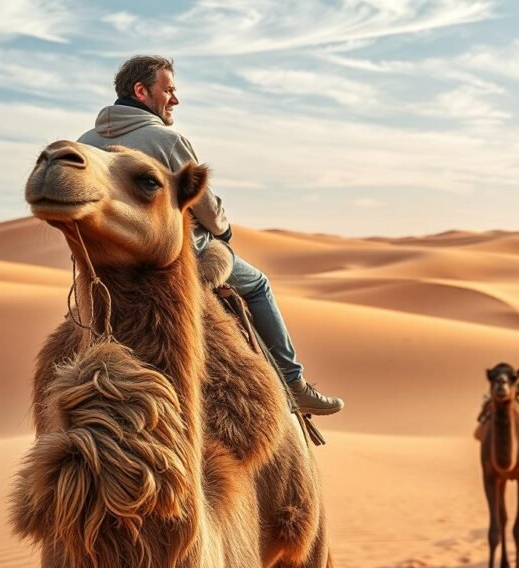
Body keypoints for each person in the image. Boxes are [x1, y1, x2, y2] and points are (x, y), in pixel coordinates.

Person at [78, 55, 343, 416]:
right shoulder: (166, 140)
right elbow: (204, 206)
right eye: (168, 90)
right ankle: (294, 383)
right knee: (259, 285)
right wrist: (224, 229)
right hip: (176, 256)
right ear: (141, 91)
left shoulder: (84, 143)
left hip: (107, 265)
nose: (174, 99)